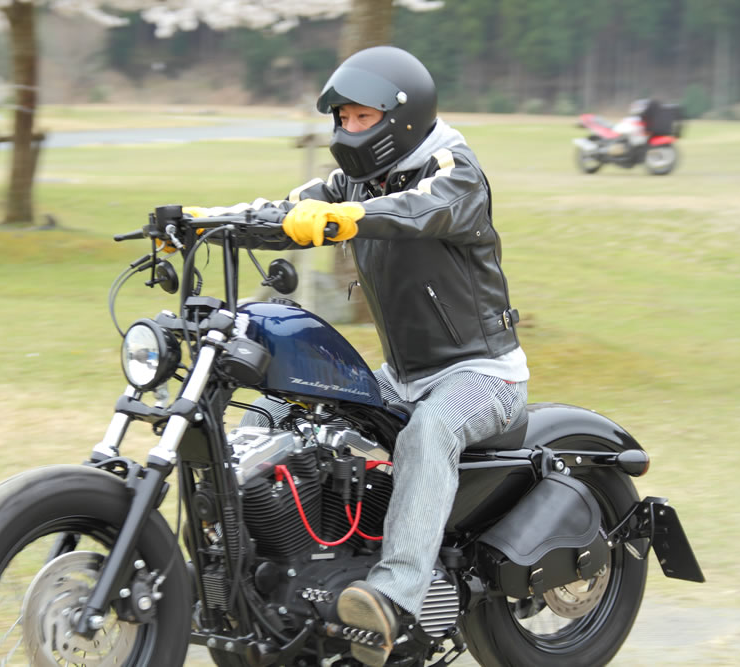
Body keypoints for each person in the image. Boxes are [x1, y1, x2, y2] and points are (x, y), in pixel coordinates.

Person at [188, 46, 529, 667]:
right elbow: (289, 212)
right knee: (277, 412)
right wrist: (206, 221)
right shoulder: (354, 182)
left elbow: (419, 211)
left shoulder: (455, 171)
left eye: (361, 117)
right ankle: (248, 567)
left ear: (401, 118)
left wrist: (347, 217)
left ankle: (393, 600)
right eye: (341, 118)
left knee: (430, 432)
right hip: (401, 377)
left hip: (483, 375)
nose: (348, 129)